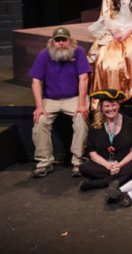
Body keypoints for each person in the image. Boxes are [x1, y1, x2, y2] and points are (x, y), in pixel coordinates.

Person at [29, 27, 90, 178]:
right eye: (58, 40)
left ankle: (78, 162)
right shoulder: (44, 54)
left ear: (70, 40)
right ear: (53, 41)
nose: (61, 43)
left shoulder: (78, 51)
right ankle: (44, 163)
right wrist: (39, 107)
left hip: (74, 97)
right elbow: (36, 82)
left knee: (81, 120)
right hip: (51, 99)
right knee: (40, 121)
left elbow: (84, 79)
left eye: (64, 40)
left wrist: (82, 104)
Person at [78, 90, 132, 191]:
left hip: (124, 164)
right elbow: (93, 154)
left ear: (118, 106)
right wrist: (109, 166)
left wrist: (119, 165)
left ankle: (102, 182)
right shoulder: (95, 126)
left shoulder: (130, 123)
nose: (110, 109)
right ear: (101, 108)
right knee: (84, 167)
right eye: (107, 106)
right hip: (104, 165)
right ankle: (118, 180)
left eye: (113, 105)